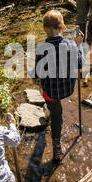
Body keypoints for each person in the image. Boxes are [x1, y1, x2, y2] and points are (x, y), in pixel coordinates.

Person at [32, 10, 83, 162]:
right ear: (63, 28)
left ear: (44, 29)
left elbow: (37, 74)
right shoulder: (71, 45)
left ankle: (56, 145)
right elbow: (80, 63)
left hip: (51, 93)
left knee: (56, 113)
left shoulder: (42, 49)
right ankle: (57, 147)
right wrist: (78, 45)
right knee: (56, 110)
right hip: (67, 89)